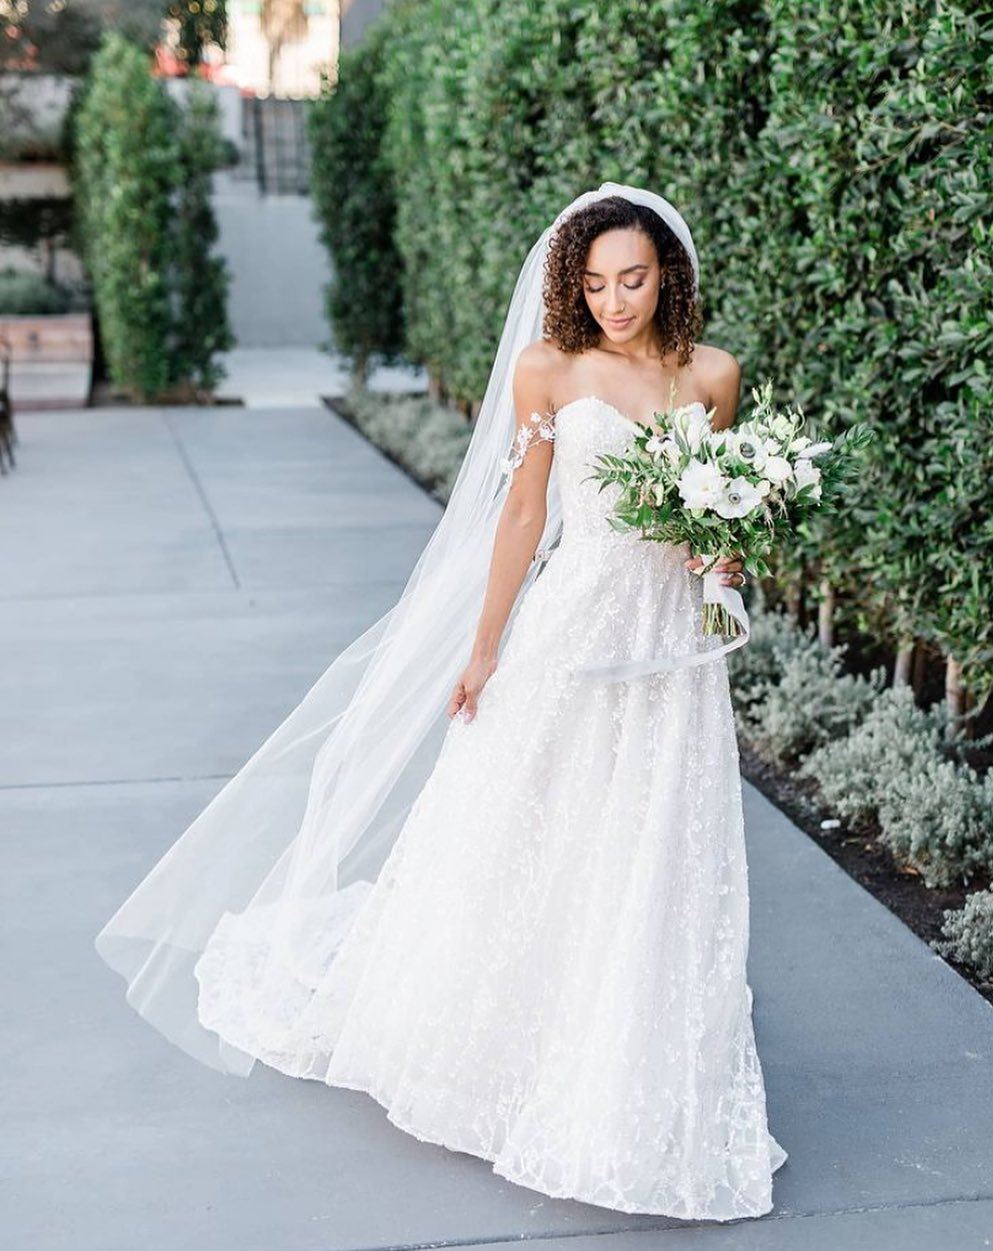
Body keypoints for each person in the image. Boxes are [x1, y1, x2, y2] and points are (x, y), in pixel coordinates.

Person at [96, 183, 787, 1222]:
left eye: (634, 278)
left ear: (669, 275)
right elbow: (521, 513)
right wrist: (483, 646)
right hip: (573, 624)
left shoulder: (714, 376)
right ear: (572, 284)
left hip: (668, 646)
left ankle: (625, 1048)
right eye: (596, 282)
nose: (615, 300)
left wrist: (721, 564)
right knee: (531, 818)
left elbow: (714, 517)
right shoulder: (547, 370)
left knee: (654, 832)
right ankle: (505, 1031)